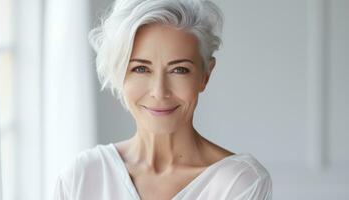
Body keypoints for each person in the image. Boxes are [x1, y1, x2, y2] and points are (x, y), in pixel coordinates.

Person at [54, 0, 272, 199]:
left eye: (179, 70)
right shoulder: (82, 177)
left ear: (205, 75)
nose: (159, 91)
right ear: (120, 75)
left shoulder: (237, 182)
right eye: (140, 68)